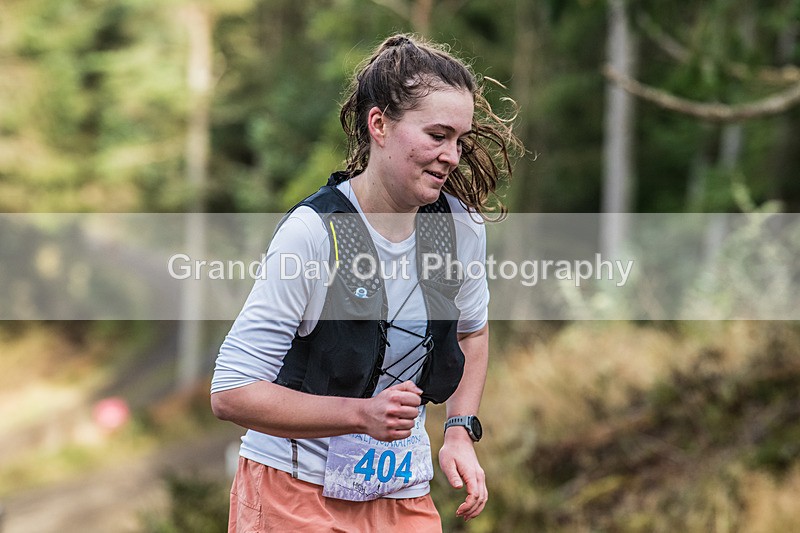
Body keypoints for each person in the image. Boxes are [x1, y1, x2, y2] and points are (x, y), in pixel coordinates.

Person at [211, 33, 520, 532]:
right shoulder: (313, 235)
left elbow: (471, 333)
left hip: (402, 495)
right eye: (437, 135)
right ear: (379, 124)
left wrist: (459, 431)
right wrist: (361, 414)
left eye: (459, 140)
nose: (453, 156)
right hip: (294, 492)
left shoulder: (459, 229)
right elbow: (231, 392)